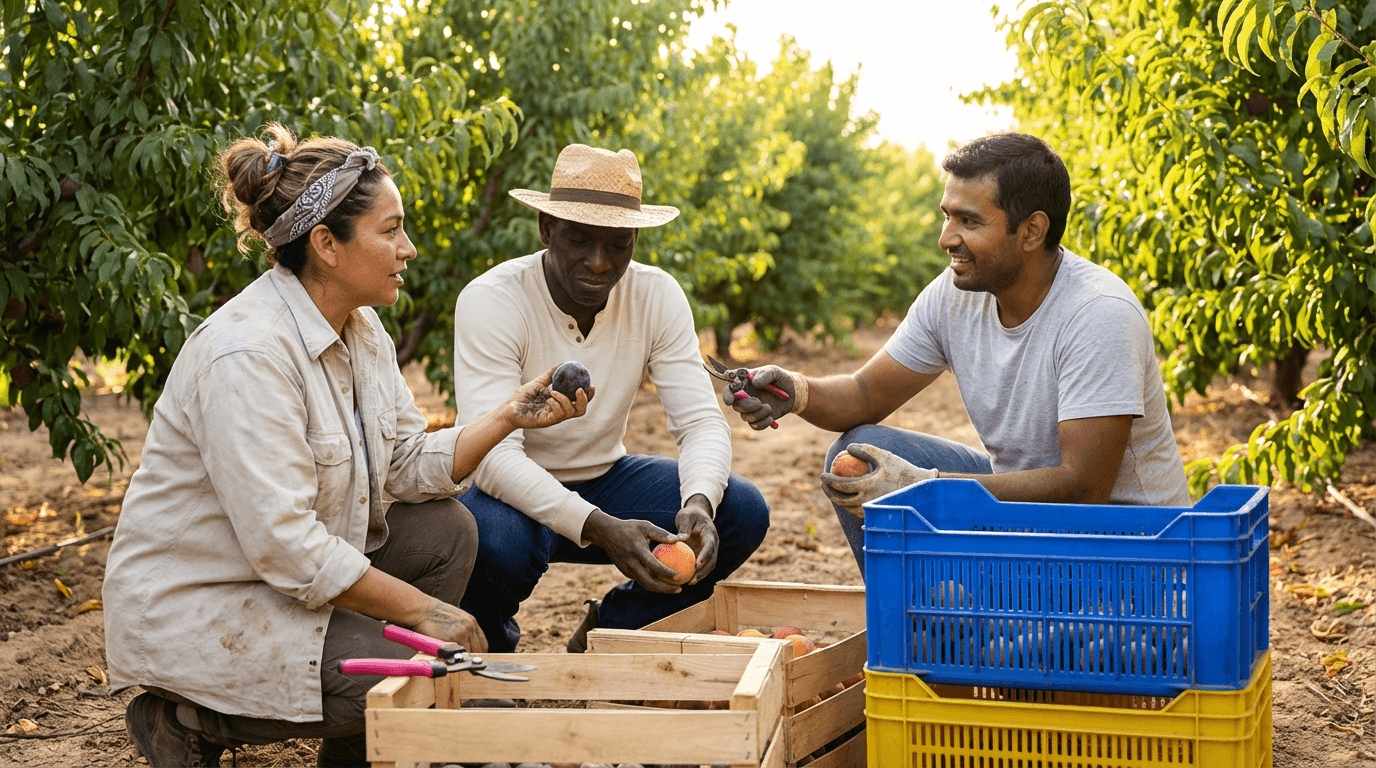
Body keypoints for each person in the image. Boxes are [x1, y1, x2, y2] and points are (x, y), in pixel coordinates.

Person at [103, 124, 588, 768]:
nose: (408, 249)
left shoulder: (362, 331)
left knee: (448, 529)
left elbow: (409, 465)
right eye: (390, 231)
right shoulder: (248, 353)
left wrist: (508, 417)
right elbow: (287, 547)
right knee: (418, 677)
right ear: (326, 245)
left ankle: (356, 743)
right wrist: (428, 612)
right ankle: (185, 716)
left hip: (275, 580)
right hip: (207, 603)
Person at [724, 132, 1190, 575]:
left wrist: (927, 489)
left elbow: (1084, 487)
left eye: (969, 221)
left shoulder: (1096, 313)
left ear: (1031, 231)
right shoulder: (955, 295)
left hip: (1124, 549)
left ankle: (988, 627)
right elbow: (865, 392)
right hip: (1027, 515)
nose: (947, 238)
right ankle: (928, 633)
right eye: (947, 216)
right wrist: (798, 391)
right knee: (860, 453)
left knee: (1046, 644)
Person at [451, 143, 770, 653]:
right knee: (494, 543)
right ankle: (491, 651)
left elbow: (700, 423)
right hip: (508, 497)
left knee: (740, 510)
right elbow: (491, 460)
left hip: (606, 479)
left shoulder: (655, 295)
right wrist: (599, 528)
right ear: (545, 229)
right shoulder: (493, 300)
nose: (599, 263)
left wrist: (698, 502)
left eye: (619, 245)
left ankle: (616, 626)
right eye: (579, 240)